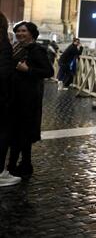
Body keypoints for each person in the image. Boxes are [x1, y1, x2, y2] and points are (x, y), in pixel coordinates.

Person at [7, 21, 53, 180]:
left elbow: (48, 71)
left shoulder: (37, 50)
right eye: (18, 31)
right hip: (15, 96)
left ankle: (13, 166)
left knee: (20, 133)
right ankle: (25, 165)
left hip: (27, 98)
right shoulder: (17, 47)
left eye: (23, 31)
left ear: (31, 33)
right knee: (19, 133)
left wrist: (28, 70)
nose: (20, 33)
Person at [0, 12, 21, 187]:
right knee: (2, 134)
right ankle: (0, 173)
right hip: (2, 98)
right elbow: (4, 73)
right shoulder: (3, 43)